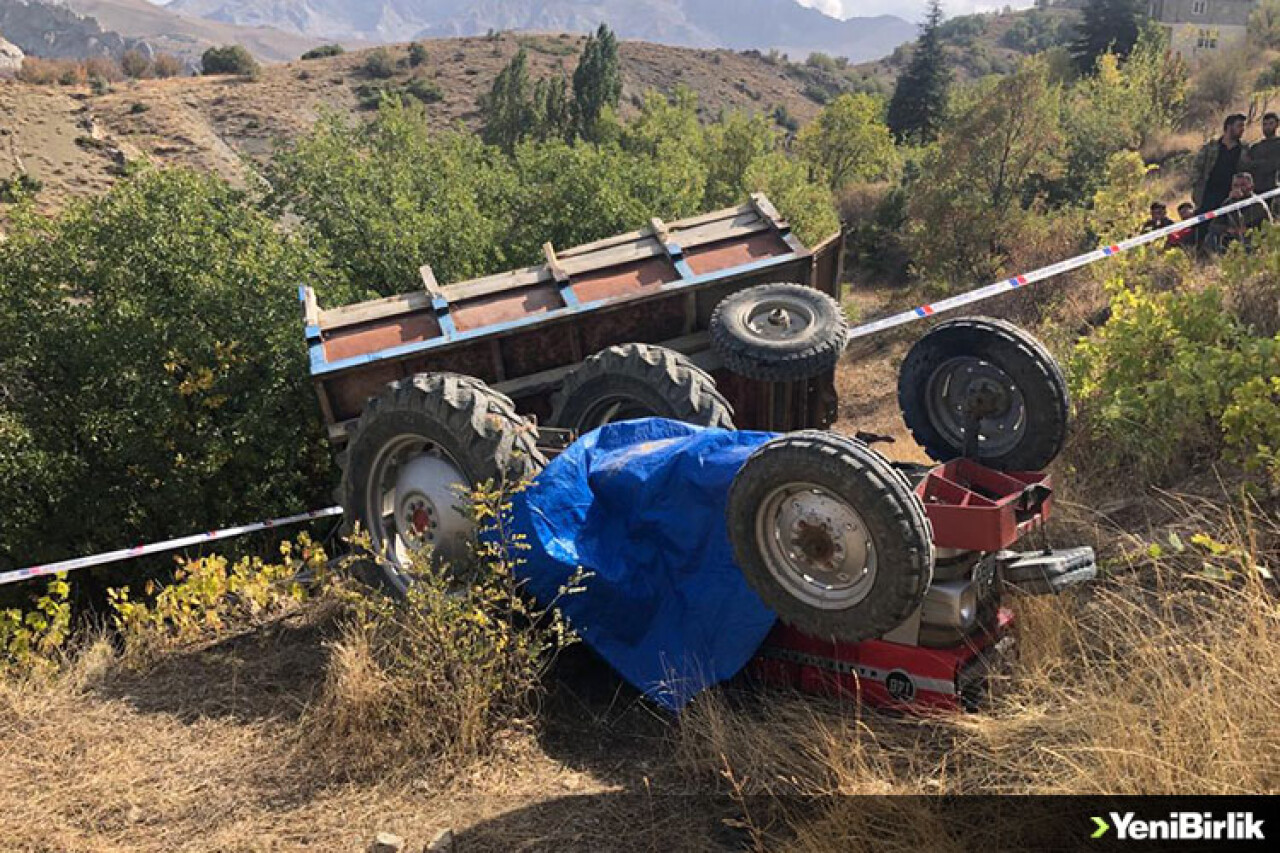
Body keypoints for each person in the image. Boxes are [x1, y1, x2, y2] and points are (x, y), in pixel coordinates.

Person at [1192, 114, 1249, 215]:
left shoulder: (1244, 149)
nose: (1242, 129)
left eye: (1243, 126)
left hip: (1231, 195)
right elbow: (1197, 167)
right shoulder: (1211, 147)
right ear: (1229, 127)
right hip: (1208, 193)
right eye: (1239, 126)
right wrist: (1197, 187)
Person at [1205, 172, 1272, 253]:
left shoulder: (1257, 204)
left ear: (1251, 187)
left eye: (1243, 185)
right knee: (1211, 236)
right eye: (1236, 185)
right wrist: (1227, 229)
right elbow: (1214, 225)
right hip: (1234, 237)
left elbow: (1240, 223)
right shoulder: (1228, 202)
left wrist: (1234, 202)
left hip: (1254, 238)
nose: (1239, 188)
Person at [1249, 112, 1280, 195]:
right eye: (1265, 124)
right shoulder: (1255, 147)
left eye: (1271, 123)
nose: (1267, 127)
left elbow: (1274, 164)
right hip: (1256, 190)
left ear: (1277, 124)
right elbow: (1249, 166)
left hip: (1275, 190)